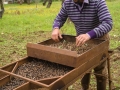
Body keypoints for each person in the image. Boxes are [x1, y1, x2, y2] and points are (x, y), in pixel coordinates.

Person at [51, 0, 113, 90]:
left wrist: (89, 34)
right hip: (81, 41)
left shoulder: (98, 1)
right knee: (83, 68)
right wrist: (56, 28)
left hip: (99, 40)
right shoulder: (68, 3)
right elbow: (59, 18)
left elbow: (108, 23)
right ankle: (85, 88)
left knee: (100, 70)